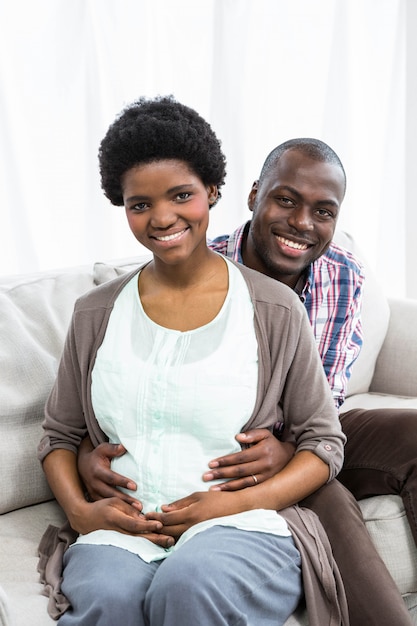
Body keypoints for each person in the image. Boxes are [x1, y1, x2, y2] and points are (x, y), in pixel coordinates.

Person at [78, 137, 415, 625]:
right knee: (327, 498)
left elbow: (323, 405)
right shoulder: (200, 266)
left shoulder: (341, 273)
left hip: (308, 430)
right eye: (285, 200)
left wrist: (288, 450)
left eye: (323, 211)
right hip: (234, 445)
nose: (302, 223)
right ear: (254, 194)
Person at [38, 98, 348, 626]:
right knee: (111, 600)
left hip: (241, 526)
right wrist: (81, 513)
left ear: (214, 192)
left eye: (181, 195)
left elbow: (324, 443)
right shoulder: (95, 313)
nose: (162, 218)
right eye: (140, 204)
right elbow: (59, 436)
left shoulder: (274, 309)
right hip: (122, 533)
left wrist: (230, 506)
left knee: (188, 587)